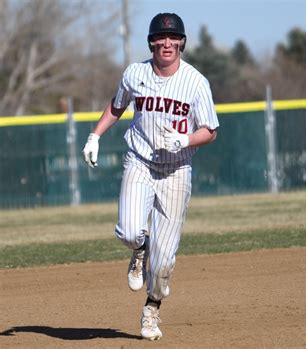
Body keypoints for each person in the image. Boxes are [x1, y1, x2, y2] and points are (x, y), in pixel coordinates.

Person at [82, 12, 219, 341]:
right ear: (152, 42)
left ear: (182, 43)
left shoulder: (196, 82)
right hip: (140, 160)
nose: (167, 43)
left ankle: (152, 309)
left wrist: (185, 139)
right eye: (161, 37)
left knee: (163, 263)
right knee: (129, 231)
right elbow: (117, 106)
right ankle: (138, 249)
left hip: (176, 170)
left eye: (174, 38)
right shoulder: (136, 73)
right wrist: (95, 135)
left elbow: (210, 130)